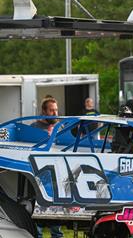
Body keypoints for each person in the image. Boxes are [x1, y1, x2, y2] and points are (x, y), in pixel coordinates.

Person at [31, 96, 64, 238]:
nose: (55, 113)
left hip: (57, 176)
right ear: (43, 111)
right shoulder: (33, 128)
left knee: (56, 210)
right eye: (51, 110)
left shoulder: (61, 126)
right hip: (39, 177)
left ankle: (57, 235)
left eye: (56, 110)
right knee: (37, 210)